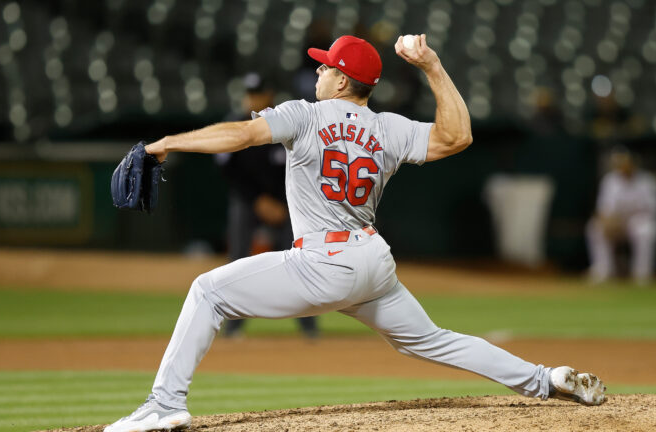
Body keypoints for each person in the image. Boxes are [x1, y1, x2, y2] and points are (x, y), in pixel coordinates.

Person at [104, 34, 606, 432]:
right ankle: (544, 379)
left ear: (343, 80)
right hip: (371, 261)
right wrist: (432, 65)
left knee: (207, 292)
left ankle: (164, 403)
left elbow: (241, 134)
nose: (318, 72)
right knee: (432, 339)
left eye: (326, 67)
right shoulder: (388, 127)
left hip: (323, 263)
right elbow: (458, 136)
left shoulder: (303, 114)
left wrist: (163, 144)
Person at [216, 72, 318, 339]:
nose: (253, 98)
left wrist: (283, 203)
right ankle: (233, 327)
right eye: (250, 93)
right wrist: (258, 200)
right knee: (238, 261)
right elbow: (229, 172)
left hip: (286, 203)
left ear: (269, 94)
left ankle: (309, 327)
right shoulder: (234, 125)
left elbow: (302, 167)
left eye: (258, 93)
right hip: (247, 201)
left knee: (301, 258)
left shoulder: (285, 124)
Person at [586, 148, 656, 284]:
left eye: (625, 163)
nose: (623, 167)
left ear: (632, 164)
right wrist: (608, 222)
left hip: (639, 220)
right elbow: (603, 208)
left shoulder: (646, 181)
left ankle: (642, 274)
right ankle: (603, 270)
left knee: (645, 230)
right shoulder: (610, 180)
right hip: (617, 222)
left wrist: (629, 216)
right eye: (619, 163)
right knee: (594, 228)